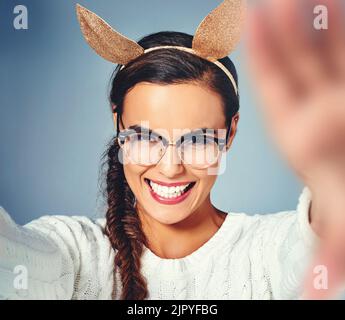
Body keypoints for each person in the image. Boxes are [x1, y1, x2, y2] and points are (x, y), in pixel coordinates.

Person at [1, 0, 344, 300]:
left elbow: (314, 250)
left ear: (230, 132)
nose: (169, 168)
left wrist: (331, 179)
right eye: (146, 138)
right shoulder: (75, 254)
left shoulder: (269, 252)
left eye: (197, 140)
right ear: (119, 124)